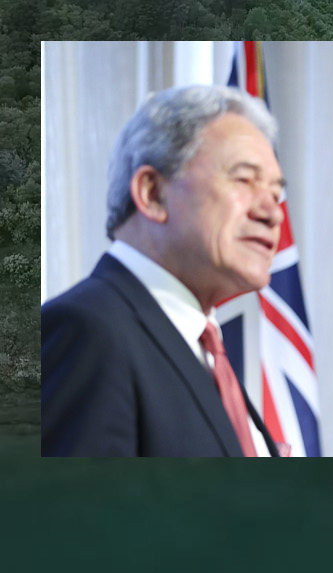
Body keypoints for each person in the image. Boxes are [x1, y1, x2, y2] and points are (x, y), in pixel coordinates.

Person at [42, 85, 287, 457]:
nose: (273, 214)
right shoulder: (87, 330)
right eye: (244, 179)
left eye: (275, 193)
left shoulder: (201, 344)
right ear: (153, 194)